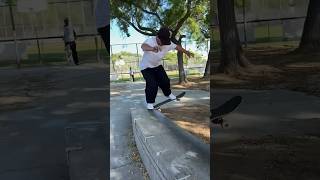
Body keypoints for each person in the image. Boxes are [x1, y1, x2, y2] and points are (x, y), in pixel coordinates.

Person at [140, 27, 193, 110]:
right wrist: (152, 48)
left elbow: (177, 47)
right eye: (162, 42)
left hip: (157, 65)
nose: (163, 44)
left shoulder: (168, 43)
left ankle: (168, 94)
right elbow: (143, 46)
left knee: (165, 80)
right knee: (152, 84)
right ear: (157, 37)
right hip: (146, 68)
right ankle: (150, 103)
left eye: (165, 42)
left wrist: (186, 52)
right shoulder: (151, 40)